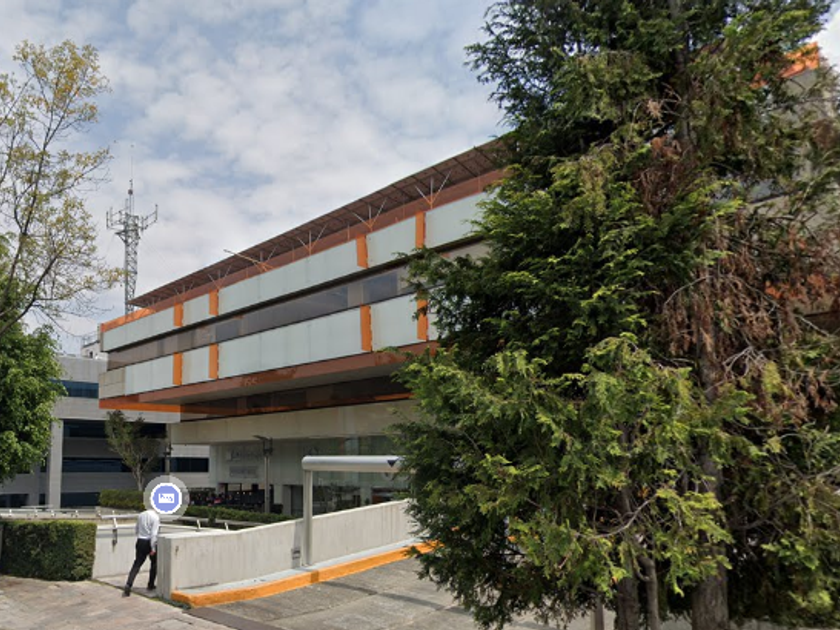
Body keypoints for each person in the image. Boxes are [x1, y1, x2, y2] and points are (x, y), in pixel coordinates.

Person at [123, 507, 160, 596]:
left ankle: (129, 584)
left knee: (137, 563)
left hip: (140, 541)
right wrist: (153, 548)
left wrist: (140, 536)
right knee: (154, 563)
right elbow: (154, 534)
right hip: (149, 541)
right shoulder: (155, 517)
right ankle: (150, 584)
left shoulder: (141, 515)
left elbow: (136, 529)